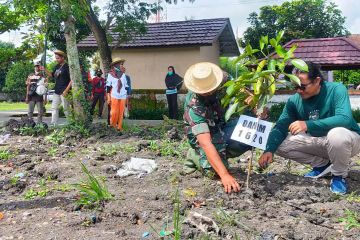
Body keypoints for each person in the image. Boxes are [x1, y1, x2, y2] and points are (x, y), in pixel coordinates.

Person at [258, 62, 360, 195]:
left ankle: (338, 176)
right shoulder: (294, 101)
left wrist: (308, 124)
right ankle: (322, 164)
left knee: (337, 134)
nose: (298, 90)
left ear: (317, 81)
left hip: (347, 142)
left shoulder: (336, 89)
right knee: (276, 142)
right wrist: (269, 150)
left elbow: (344, 119)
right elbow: (280, 127)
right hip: (320, 142)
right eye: (295, 86)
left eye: (302, 86)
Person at [183, 62, 253, 194]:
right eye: (204, 91)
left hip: (221, 124)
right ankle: (195, 154)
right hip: (204, 135)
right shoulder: (194, 106)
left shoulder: (224, 79)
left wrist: (252, 102)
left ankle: (220, 154)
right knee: (213, 172)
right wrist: (224, 175)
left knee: (249, 134)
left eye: (211, 88)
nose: (209, 92)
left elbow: (240, 90)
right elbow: (205, 142)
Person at [42, 50, 72, 125]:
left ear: (62, 58)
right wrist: (44, 69)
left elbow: (72, 80)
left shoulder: (67, 67)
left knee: (66, 108)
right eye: (56, 58)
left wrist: (66, 90)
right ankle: (54, 124)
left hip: (64, 91)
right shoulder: (57, 66)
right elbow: (52, 75)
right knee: (54, 107)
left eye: (58, 58)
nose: (56, 59)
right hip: (57, 90)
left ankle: (71, 123)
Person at [106, 58, 128, 130]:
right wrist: (108, 97)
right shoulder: (110, 75)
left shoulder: (123, 75)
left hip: (123, 95)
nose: (121, 65)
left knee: (121, 112)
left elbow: (126, 86)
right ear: (115, 65)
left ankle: (119, 127)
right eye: (119, 64)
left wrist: (127, 97)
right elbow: (108, 87)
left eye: (121, 64)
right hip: (114, 95)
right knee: (114, 112)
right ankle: (112, 125)